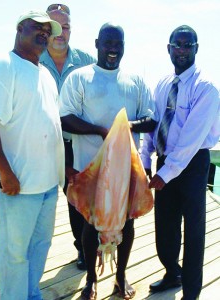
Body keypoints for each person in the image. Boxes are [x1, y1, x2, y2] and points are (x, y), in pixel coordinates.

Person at [59, 22, 157, 300]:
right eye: (108, 43)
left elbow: (150, 119)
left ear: (123, 47)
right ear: (97, 43)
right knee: (91, 222)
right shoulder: (80, 77)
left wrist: (125, 127)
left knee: (127, 222)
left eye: (118, 44)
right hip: (90, 167)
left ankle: (121, 275)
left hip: (125, 168)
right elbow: (65, 117)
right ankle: (90, 279)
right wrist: (102, 131)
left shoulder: (135, 81)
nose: (113, 49)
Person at [0, 10, 64, 300]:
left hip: (49, 185)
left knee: (40, 246)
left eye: (47, 30)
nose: (43, 33)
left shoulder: (46, 75)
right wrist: (5, 173)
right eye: (36, 27)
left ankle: (31, 294)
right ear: (19, 28)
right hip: (19, 185)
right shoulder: (3, 65)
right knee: (15, 253)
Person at [141, 25, 220, 300]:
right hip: (165, 161)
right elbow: (155, 125)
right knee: (165, 225)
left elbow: (190, 139)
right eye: (178, 45)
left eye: (188, 45)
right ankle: (171, 271)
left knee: (194, 230)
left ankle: (191, 292)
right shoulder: (163, 84)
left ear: (197, 48)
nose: (182, 50)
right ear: (169, 48)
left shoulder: (206, 87)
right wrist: (146, 160)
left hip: (194, 163)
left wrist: (166, 173)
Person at [40, 3, 96, 270]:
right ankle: (32, 256)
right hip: (45, 144)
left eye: (66, 27)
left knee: (79, 197)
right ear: (44, 28)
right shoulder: (33, 59)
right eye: (55, 27)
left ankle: (84, 248)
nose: (60, 33)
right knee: (45, 198)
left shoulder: (87, 61)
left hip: (78, 142)